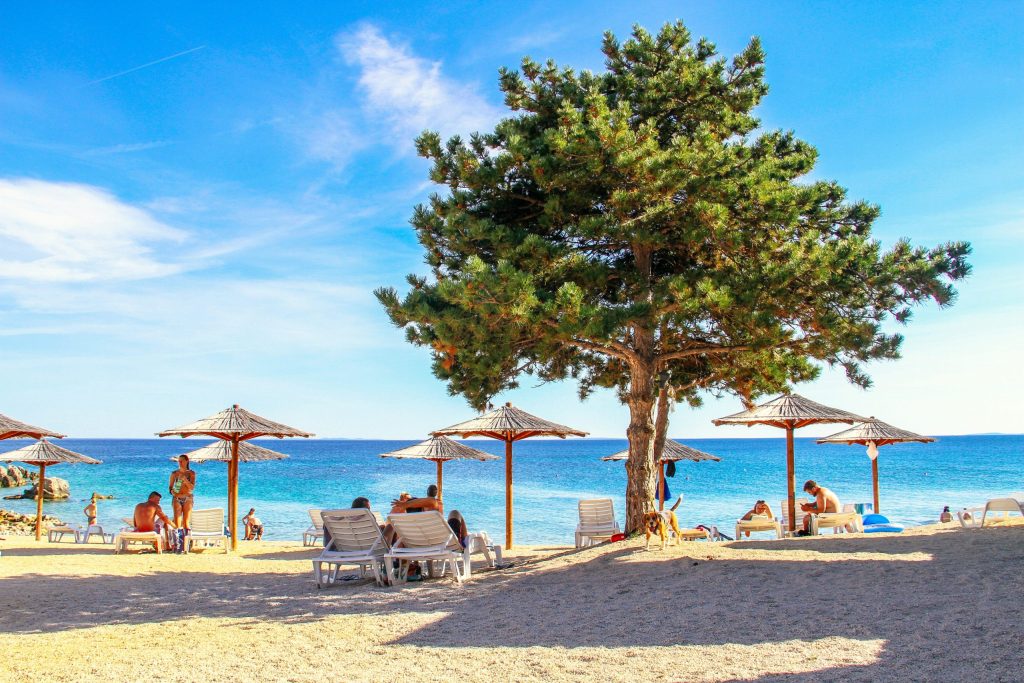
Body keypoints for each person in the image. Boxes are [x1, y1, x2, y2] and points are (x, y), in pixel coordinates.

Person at [168, 454, 196, 531]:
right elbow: (170, 487)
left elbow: (192, 487)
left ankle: (186, 537)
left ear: (187, 461)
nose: (180, 463)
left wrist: (185, 480)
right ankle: (178, 538)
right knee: (177, 525)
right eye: (179, 461)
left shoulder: (191, 473)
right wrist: (172, 492)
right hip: (177, 498)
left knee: (186, 524)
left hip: (188, 498)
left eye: (181, 461)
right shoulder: (174, 473)